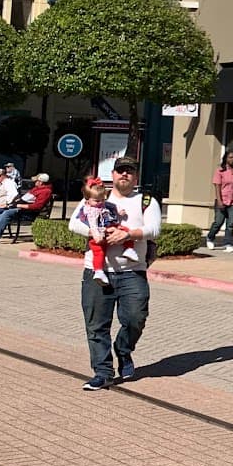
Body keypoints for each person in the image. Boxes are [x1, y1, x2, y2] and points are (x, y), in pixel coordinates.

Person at [70, 155, 160, 391]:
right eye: (120, 171)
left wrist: (128, 235)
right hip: (97, 272)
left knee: (135, 319)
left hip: (133, 272)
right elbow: (74, 223)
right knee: (96, 325)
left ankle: (123, 350)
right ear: (113, 175)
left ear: (135, 176)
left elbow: (154, 228)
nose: (124, 175)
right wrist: (95, 231)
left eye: (129, 171)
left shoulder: (146, 200)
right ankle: (103, 372)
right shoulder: (96, 195)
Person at [76, 177, 135, 286]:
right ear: (87, 199)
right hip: (99, 234)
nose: (100, 203)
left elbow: (111, 205)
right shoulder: (90, 210)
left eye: (102, 200)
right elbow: (93, 225)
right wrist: (97, 235)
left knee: (126, 232)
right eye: (97, 201)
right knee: (98, 252)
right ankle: (98, 271)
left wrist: (119, 210)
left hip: (112, 228)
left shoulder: (103, 204)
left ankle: (129, 249)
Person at [0, 172, 53, 242]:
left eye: (36, 181)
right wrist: (14, 203)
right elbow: (23, 199)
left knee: (6, 213)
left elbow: (37, 206)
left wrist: (18, 205)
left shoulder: (45, 191)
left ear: (41, 182)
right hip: (19, 209)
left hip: (28, 213)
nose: (35, 182)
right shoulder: (36, 189)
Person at [206, 150, 233, 252]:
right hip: (222, 199)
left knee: (230, 224)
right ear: (226, 159)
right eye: (230, 157)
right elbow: (217, 186)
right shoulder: (220, 171)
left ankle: (228, 243)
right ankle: (210, 237)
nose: (232, 159)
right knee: (218, 222)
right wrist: (219, 201)